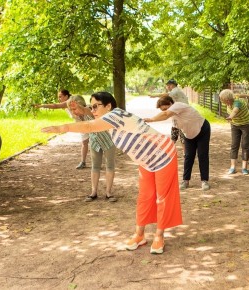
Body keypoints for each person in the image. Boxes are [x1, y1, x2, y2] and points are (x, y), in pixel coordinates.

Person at [42, 92, 182, 254]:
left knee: (162, 196)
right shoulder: (111, 116)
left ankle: (159, 235)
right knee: (145, 195)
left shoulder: (116, 115)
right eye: (91, 106)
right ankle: (139, 234)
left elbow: (90, 126)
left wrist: (63, 128)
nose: (92, 109)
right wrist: (83, 110)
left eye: (96, 106)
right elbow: (95, 119)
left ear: (108, 106)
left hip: (163, 153)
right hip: (146, 159)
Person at [144, 96, 211, 191]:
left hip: (202, 129)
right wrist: (171, 143)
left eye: (166, 108)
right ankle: (185, 180)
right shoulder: (174, 117)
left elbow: (166, 114)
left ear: (171, 104)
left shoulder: (178, 105)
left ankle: (204, 181)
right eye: (162, 110)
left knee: (202, 155)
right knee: (188, 156)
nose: (165, 111)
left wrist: (151, 119)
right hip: (189, 134)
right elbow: (175, 130)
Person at [67, 95, 118, 202]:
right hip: (95, 141)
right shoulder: (78, 116)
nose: (74, 111)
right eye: (72, 109)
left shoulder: (91, 110)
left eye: (75, 108)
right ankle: (93, 192)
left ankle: (108, 193)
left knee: (110, 166)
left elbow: (86, 111)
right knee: (95, 167)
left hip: (109, 140)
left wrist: (80, 108)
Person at [36, 89, 89, 169]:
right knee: (85, 142)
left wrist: (42, 105)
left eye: (60, 96)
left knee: (96, 142)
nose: (59, 99)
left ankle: (101, 160)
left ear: (66, 96)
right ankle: (83, 162)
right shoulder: (68, 103)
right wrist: (42, 106)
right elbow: (56, 106)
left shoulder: (71, 102)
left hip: (89, 122)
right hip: (81, 124)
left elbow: (55, 106)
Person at [219, 89, 249, 175]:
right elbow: (239, 94)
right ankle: (232, 167)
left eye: (222, 100)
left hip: (246, 124)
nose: (222, 102)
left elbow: (235, 110)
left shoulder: (237, 103)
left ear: (227, 100)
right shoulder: (233, 97)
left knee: (245, 145)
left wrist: (230, 117)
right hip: (235, 125)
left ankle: (244, 168)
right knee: (234, 145)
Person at [149, 79, 189, 144]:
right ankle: (184, 153)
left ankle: (184, 153)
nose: (167, 87)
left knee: (181, 138)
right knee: (179, 137)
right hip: (179, 115)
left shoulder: (175, 91)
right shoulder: (178, 91)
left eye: (167, 86)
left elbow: (166, 95)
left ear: (170, 85)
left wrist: (155, 95)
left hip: (181, 115)